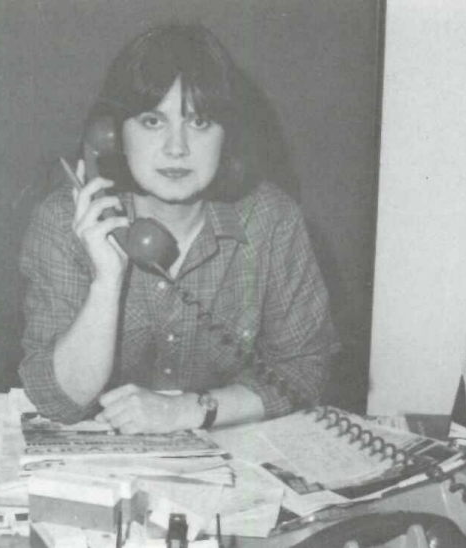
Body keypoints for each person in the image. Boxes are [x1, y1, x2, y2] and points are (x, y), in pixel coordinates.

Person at [19, 23, 339, 434]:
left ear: (228, 136)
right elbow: (58, 401)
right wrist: (106, 280)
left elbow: (306, 369)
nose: (177, 147)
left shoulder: (271, 220)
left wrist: (192, 410)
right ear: (113, 136)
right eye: (153, 121)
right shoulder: (65, 221)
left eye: (200, 122)